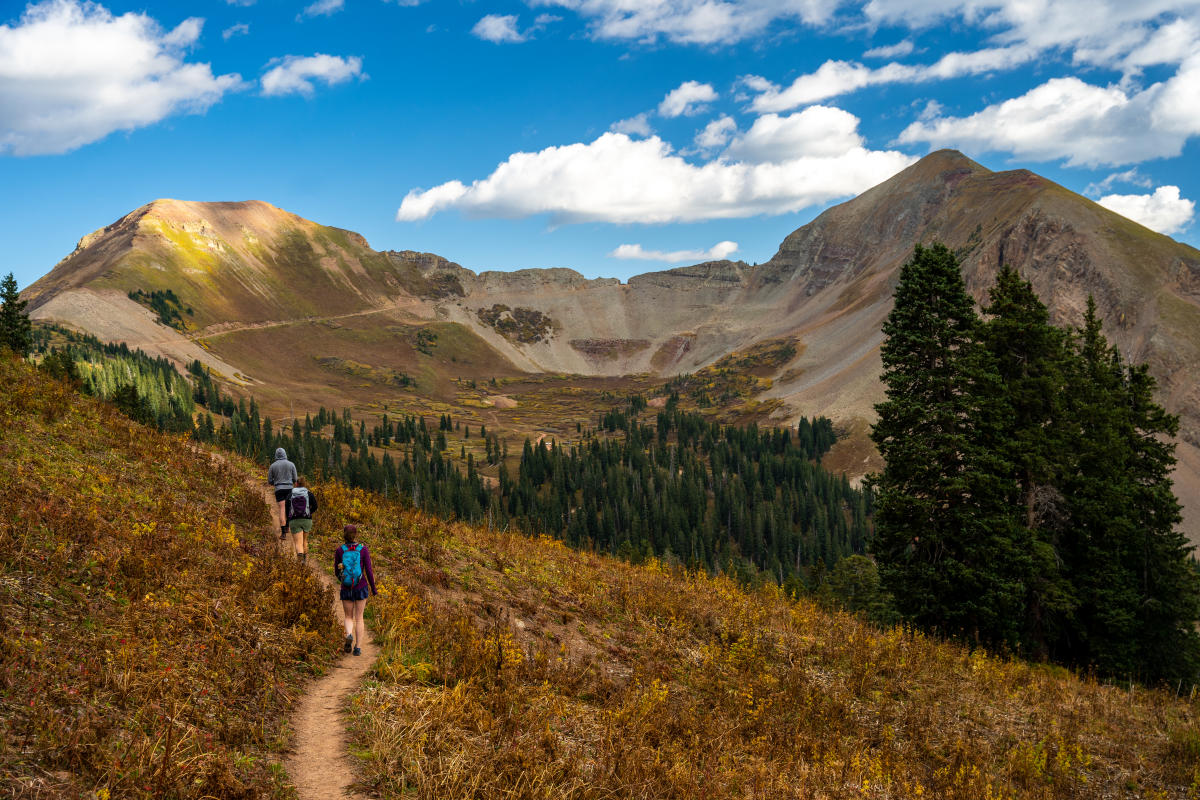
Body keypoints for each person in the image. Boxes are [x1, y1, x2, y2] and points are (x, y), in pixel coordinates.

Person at [335, 524, 376, 656]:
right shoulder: (363, 550)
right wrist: (373, 588)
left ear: (344, 535)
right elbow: (368, 571)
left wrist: (343, 580)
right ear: (355, 535)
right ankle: (357, 648)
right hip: (361, 587)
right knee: (359, 618)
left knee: (348, 616)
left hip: (346, 588)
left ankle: (349, 634)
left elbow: (336, 571)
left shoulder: (340, 550)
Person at [267, 448, 297, 540]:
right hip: (289, 489)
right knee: (289, 508)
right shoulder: (291, 464)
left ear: (276, 455)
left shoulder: (272, 466)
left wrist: (276, 483)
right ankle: (287, 526)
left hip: (279, 489)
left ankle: (283, 533)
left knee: (282, 509)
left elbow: (270, 480)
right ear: (285, 454)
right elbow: (295, 479)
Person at [287, 477, 317, 563]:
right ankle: (304, 561)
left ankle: (300, 563)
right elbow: (315, 506)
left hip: (294, 520)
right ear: (305, 484)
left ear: (296, 484)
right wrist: (309, 512)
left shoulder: (290, 494)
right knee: (304, 541)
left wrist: (288, 519)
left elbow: (287, 507)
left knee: (298, 543)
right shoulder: (309, 494)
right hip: (307, 520)